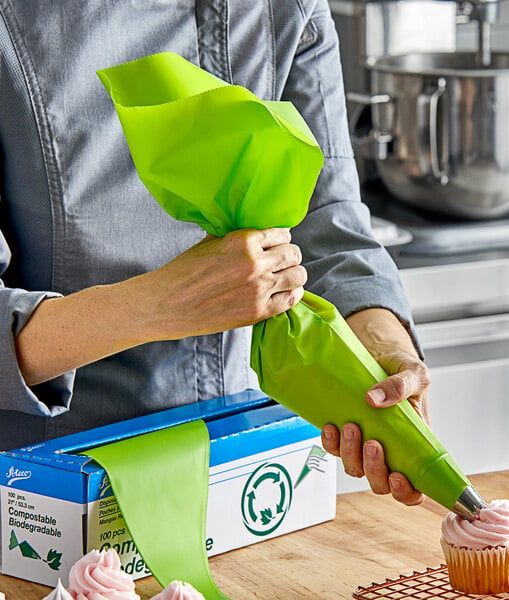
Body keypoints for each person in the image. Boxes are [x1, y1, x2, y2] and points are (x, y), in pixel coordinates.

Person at [0, 0, 429, 507]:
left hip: (246, 459)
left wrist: (383, 346)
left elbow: (325, 219)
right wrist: (154, 307)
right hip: (49, 486)